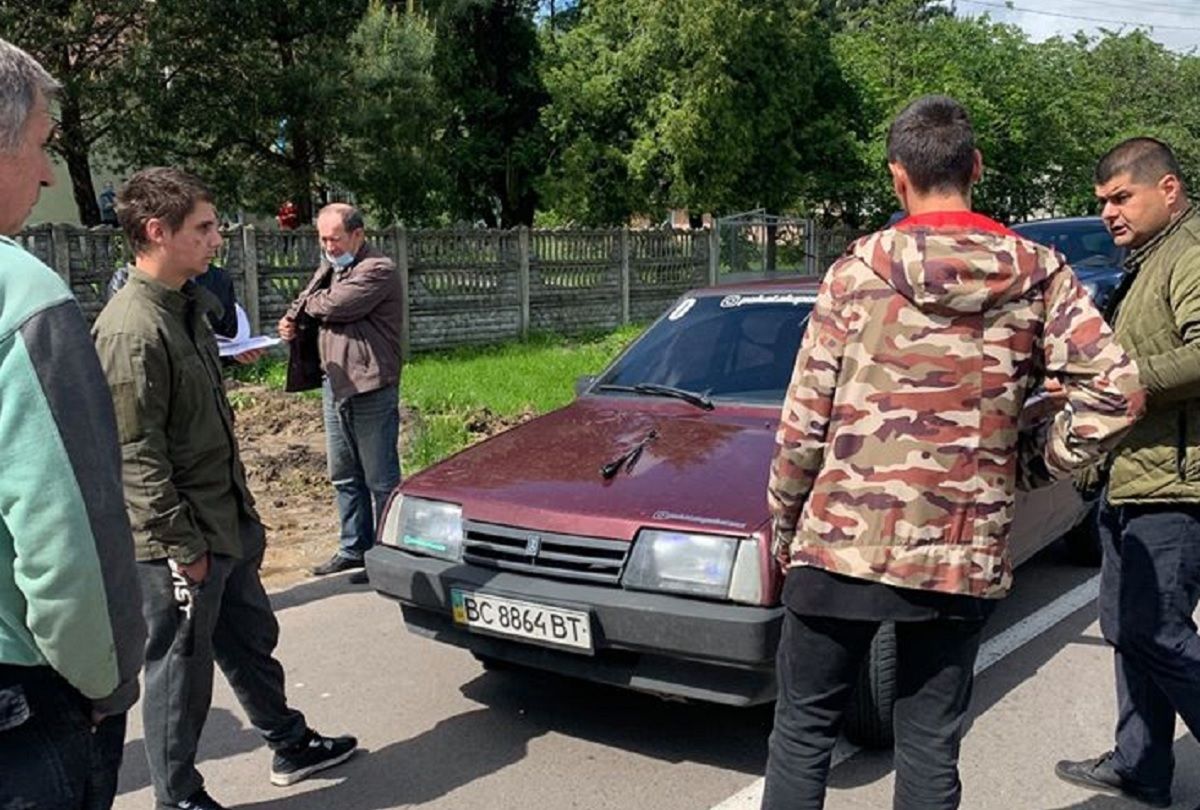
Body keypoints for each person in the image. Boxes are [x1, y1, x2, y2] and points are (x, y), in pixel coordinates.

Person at [761, 95, 1145, 810]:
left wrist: (785, 530)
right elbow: (1117, 395)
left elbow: (803, 423)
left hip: (841, 544)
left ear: (896, 178)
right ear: (976, 166)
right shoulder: (1040, 272)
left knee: (804, 733)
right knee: (930, 745)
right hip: (959, 551)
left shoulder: (857, 271)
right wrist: (1025, 463)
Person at [93, 168, 357, 810]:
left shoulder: (187, 308)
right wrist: (182, 548)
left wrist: (242, 521)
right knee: (180, 668)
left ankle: (288, 742)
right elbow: (135, 456)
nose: (219, 238)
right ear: (158, 233)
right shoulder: (131, 329)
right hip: (179, 540)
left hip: (225, 520)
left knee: (248, 638)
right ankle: (177, 796)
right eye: (204, 228)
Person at [0, 37, 145, 810]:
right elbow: (68, 534)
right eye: (40, 145)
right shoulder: (23, 296)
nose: (50, 171)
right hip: (23, 698)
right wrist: (106, 682)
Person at [1055, 138, 1200, 809]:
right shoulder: (1147, 261)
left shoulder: (1191, 251)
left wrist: (1130, 380)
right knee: (1127, 628)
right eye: (1103, 202)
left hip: (1176, 483)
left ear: (1167, 188)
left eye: (1122, 197)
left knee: (1156, 631)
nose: (1110, 212)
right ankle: (1142, 766)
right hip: (1133, 477)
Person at [278, 203, 403, 579]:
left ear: (358, 234)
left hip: (369, 385)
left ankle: (385, 553)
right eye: (323, 238)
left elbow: (334, 305)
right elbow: (303, 305)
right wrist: (292, 321)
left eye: (335, 238)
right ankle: (354, 547)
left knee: (379, 478)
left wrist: (305, 308)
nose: (328, 246)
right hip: (335, 383)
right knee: (343, 474)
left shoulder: (378, 269)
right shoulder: (333, 268)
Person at [108, 261, 239, 338]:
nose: (216, 241)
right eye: (202, 228)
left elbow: (228, 336)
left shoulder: (219, 279)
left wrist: (234, 356)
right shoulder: (124, 282)